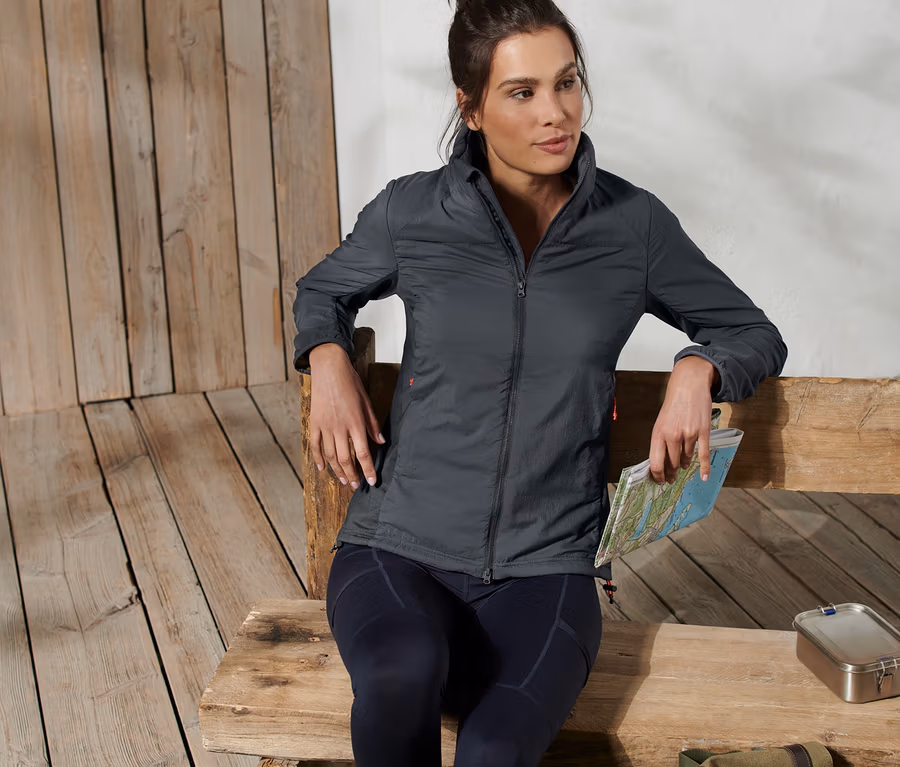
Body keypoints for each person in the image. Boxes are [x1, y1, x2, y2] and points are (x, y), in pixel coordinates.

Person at [291, 1, 788, 764]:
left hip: (548, 566)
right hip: (398, 549)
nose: (556, 113)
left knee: (497, 748)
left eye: (567, 82)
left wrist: (699, 367)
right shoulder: (412, 213)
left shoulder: (633, 226)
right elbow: (322, 290)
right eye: (522, 92)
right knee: (401, 675)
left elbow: (753, 332)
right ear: (472, 109)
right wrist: (327, 357)